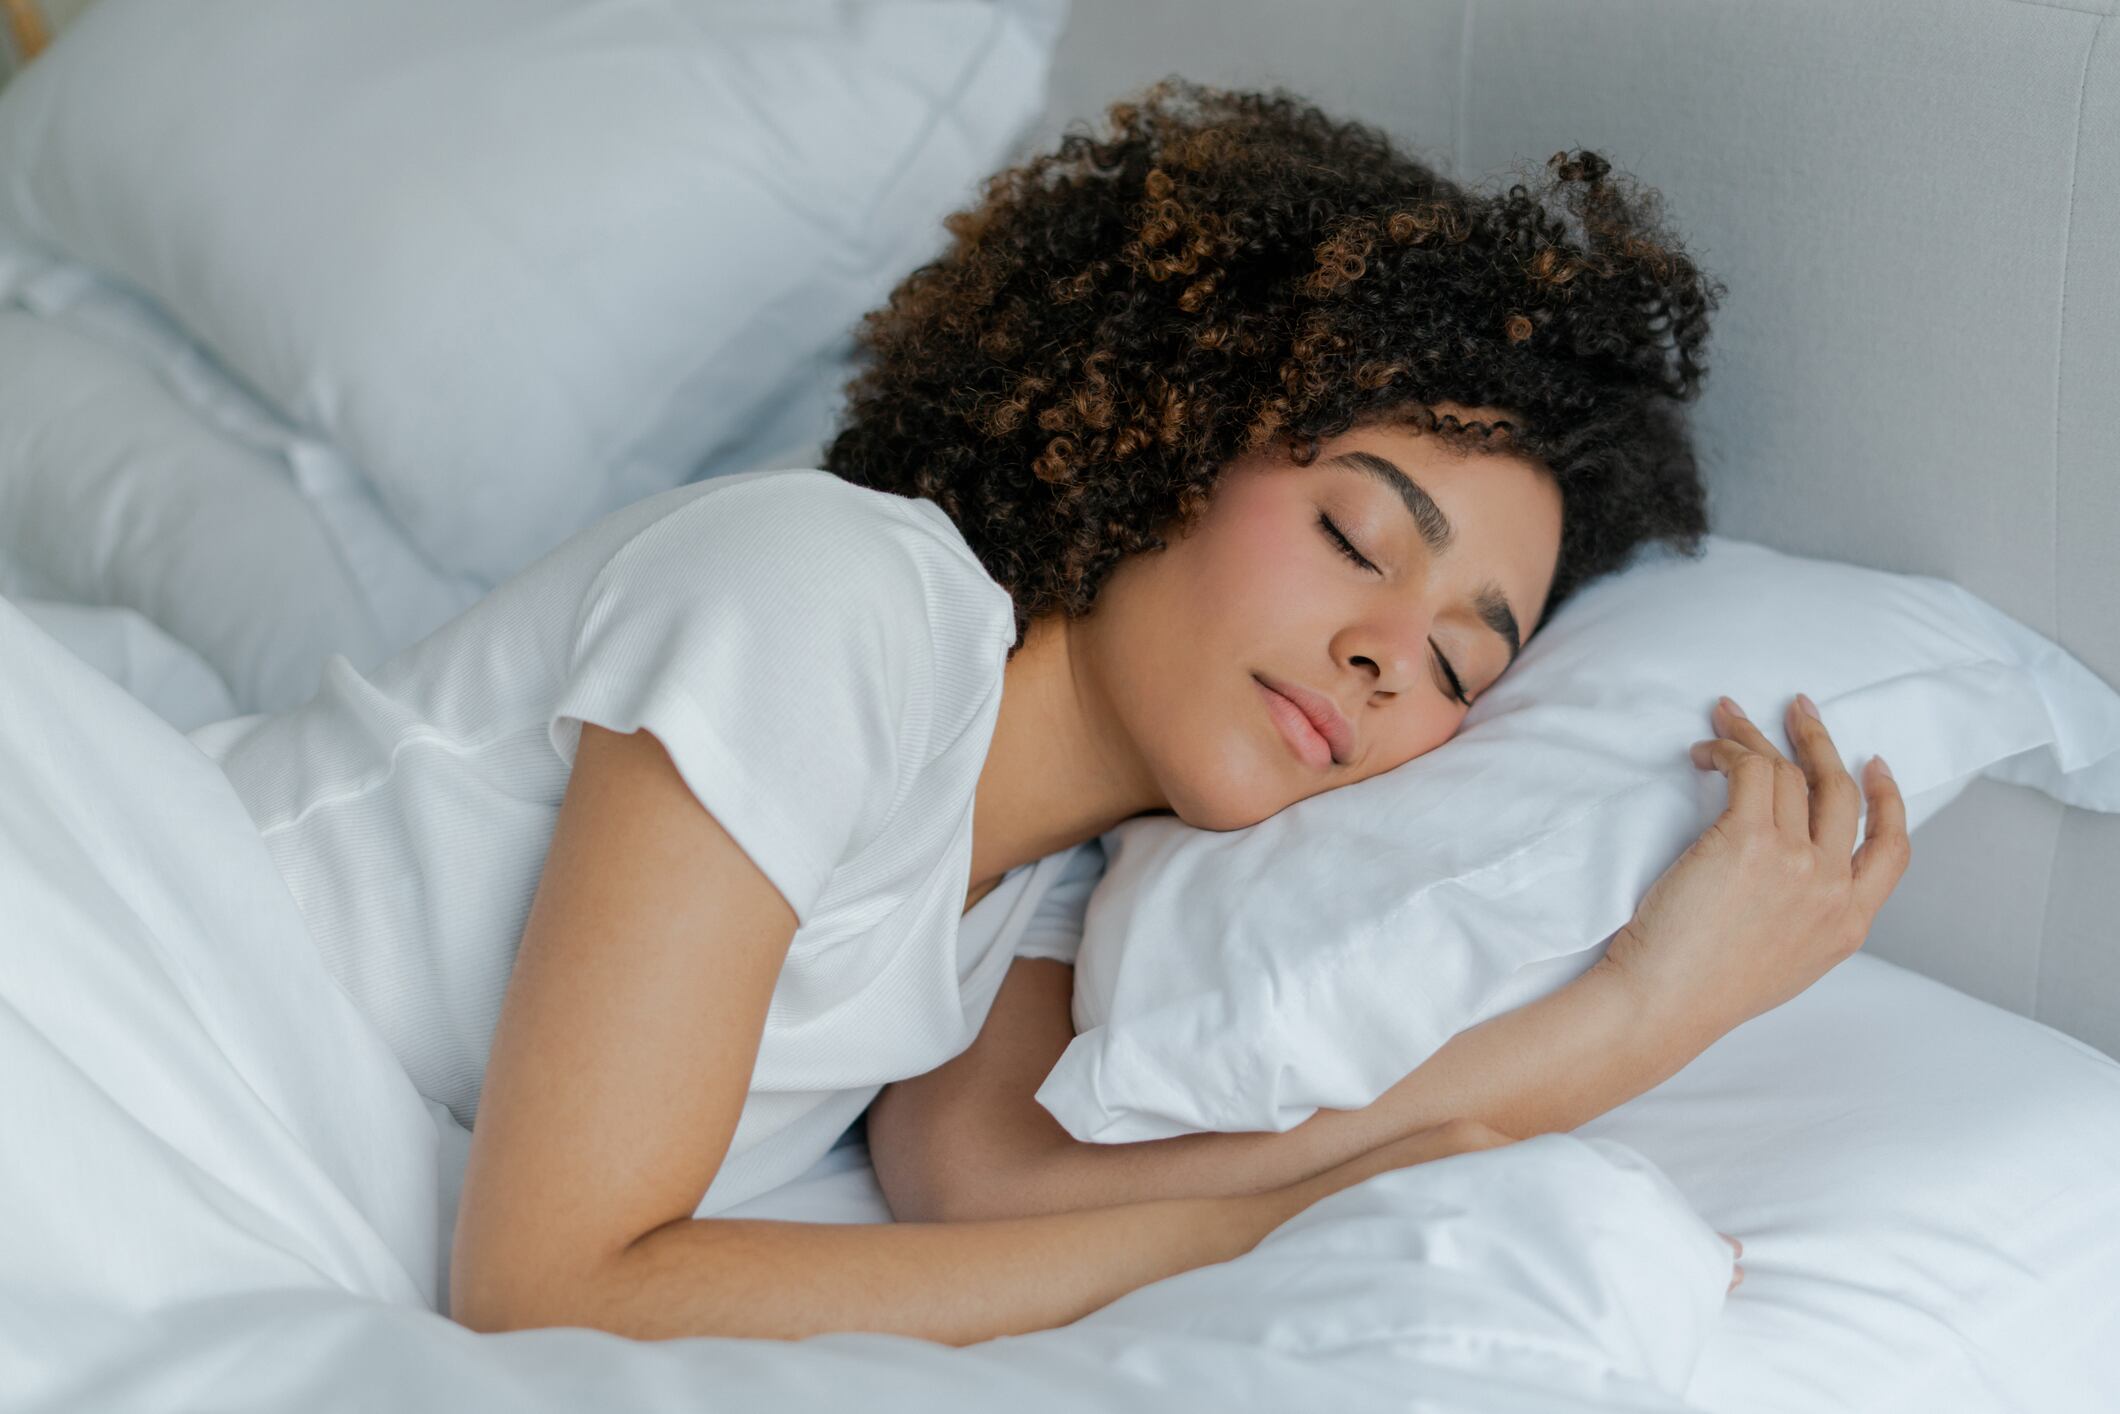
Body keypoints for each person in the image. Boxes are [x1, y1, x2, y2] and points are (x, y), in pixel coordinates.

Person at [192, 80, 1905, 1346]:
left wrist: (1639, 1010)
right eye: (1357, 535)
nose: (1392, 659)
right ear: (1173, 420)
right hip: (130, 971)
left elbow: (989, 1184)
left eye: (1464, 664)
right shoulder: (835, 602)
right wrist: (1274, 1226)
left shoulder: (1064, 870)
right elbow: (548, 1285)